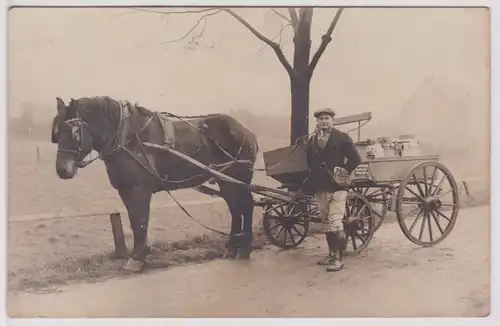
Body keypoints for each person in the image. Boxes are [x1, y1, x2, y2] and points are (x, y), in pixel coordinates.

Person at [305, 108, 362, 272]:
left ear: (333, 120)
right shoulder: (313, 140)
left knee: (336, 223)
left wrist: (343, 172)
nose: (324, 121)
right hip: (320, 187)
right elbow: (310, 161)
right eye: (321, 119)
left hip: (337, 186)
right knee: (326, 223)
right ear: (317, 122)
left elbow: (355, 159)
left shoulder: (342, 137)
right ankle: (331, 255)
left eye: (327, 118)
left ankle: (339, 259)